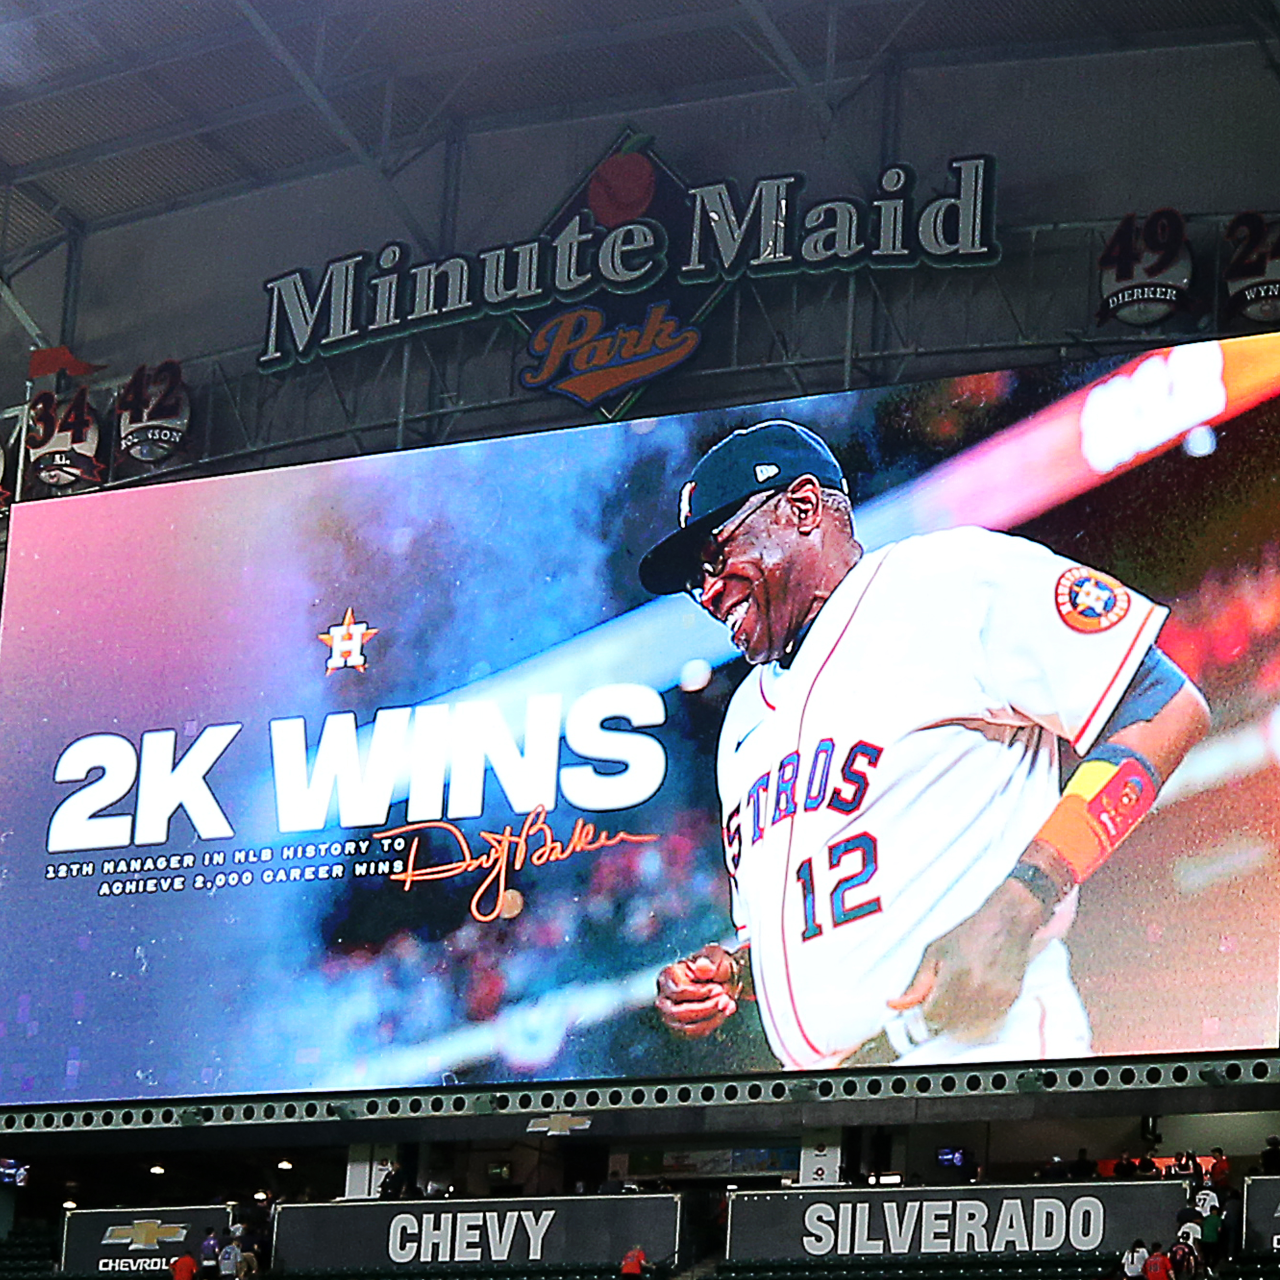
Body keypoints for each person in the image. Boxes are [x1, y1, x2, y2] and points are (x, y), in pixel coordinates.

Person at [641, 420, 1210, 1067]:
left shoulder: (949, 580)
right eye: (696, 580)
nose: (709, 592)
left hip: (989, 1055)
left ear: (802, 508)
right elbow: (831, 916)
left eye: (716, 556)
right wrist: (738, 971)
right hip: (840, 1100)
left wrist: (1022, 901)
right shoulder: (744, 717)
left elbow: (1164, 706)